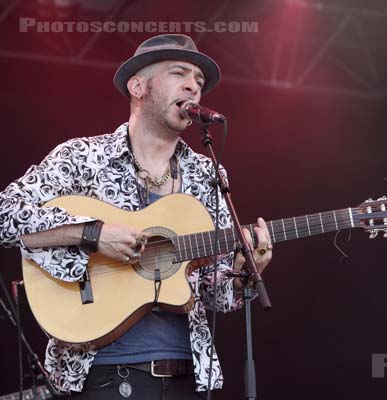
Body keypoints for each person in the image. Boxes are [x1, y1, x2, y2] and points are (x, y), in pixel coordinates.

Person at [0, 34, 272, 398]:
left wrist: (241, 277)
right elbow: (5, 215)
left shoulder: (209, 175)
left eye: (199, 81)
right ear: (138, 86)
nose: (193, 86)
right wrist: (94, 234)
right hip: (99, 374)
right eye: (180, 73)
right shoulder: (82, 158)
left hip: (186, 377)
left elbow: (209, 290)